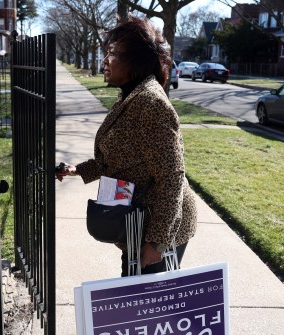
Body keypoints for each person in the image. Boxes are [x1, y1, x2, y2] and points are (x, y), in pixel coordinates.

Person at [57, 16, 197, 276]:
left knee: (145, 309)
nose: (104, 62)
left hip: (157, 230)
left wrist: (157, 241)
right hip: (138, 224)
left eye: (112, 54)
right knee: (136, 306)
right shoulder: (130, 96)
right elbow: (118, 157)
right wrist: (77, 170)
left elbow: (171, 177)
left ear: (136, 60)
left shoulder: (151, 104)